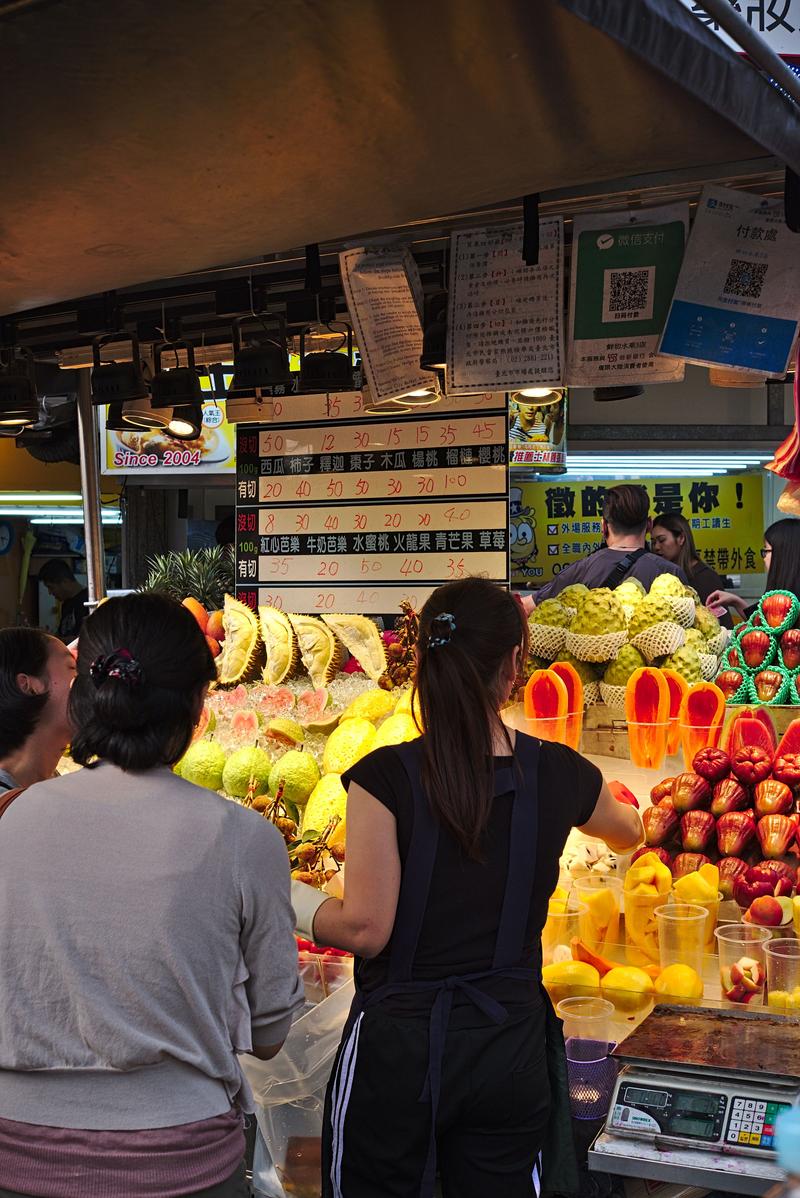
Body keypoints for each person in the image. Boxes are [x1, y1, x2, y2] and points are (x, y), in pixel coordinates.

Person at [291, 578, 643, 1198]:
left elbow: (365, 929)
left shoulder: (381, 779)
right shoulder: (556, 769)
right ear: (513, 664)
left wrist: (284, 894)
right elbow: (628, 830)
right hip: (507, 1048)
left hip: (399, 1055)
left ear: (424, 663)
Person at [0, 593, 303, 1198]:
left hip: (18, 1155)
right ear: (196, 706)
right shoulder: (248, 840)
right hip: (180, 1163)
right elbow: (270, 1039)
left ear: (86, 701)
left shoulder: (12, 817)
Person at [526, 484, 686, 609]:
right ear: (649, 525)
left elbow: (526, 608)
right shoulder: (672, 573)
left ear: (603, 526)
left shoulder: (579, 571)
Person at [0, 627, 76, 793]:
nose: (85, 681)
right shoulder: (7, 808)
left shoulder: (46, 784)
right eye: (72, 667)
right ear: (29, 687)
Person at [707, 518, 800, 619]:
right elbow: (758, 622)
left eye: (766, 550)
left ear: (783, 553)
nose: (763, 558)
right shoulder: (780, 593)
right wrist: (735, 601)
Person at [651, 513, 727, 605]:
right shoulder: (659, 580)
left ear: (681, 538)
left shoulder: (707, 578)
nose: (656, 547)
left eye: (662, 540)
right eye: (653, 542)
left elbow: (720, 619)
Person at [38, 558, 89, 641]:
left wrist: (54, 639)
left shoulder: (87, 601)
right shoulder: (66, 604)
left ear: (65, 582)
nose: (50, 593)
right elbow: (63, 635)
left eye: (51, 587)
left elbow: (83, 641)